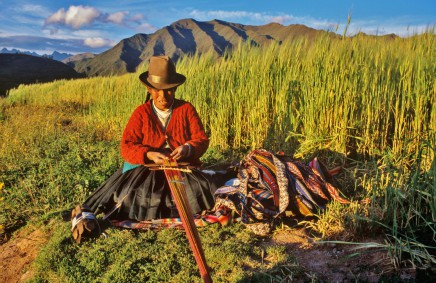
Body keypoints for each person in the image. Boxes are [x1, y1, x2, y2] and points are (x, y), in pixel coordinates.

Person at [72, 56, 228, 241]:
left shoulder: (186, 109)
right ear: (149, 89)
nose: (163, 97)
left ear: (176, 88)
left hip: (181, 168)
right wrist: (148, 154)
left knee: (206, 187)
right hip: (148, 170)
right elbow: (127, 146)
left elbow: (201, 139)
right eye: (157, 91)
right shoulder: (141, 113)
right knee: (142, 195)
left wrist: (188, 148)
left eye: (169, 91)